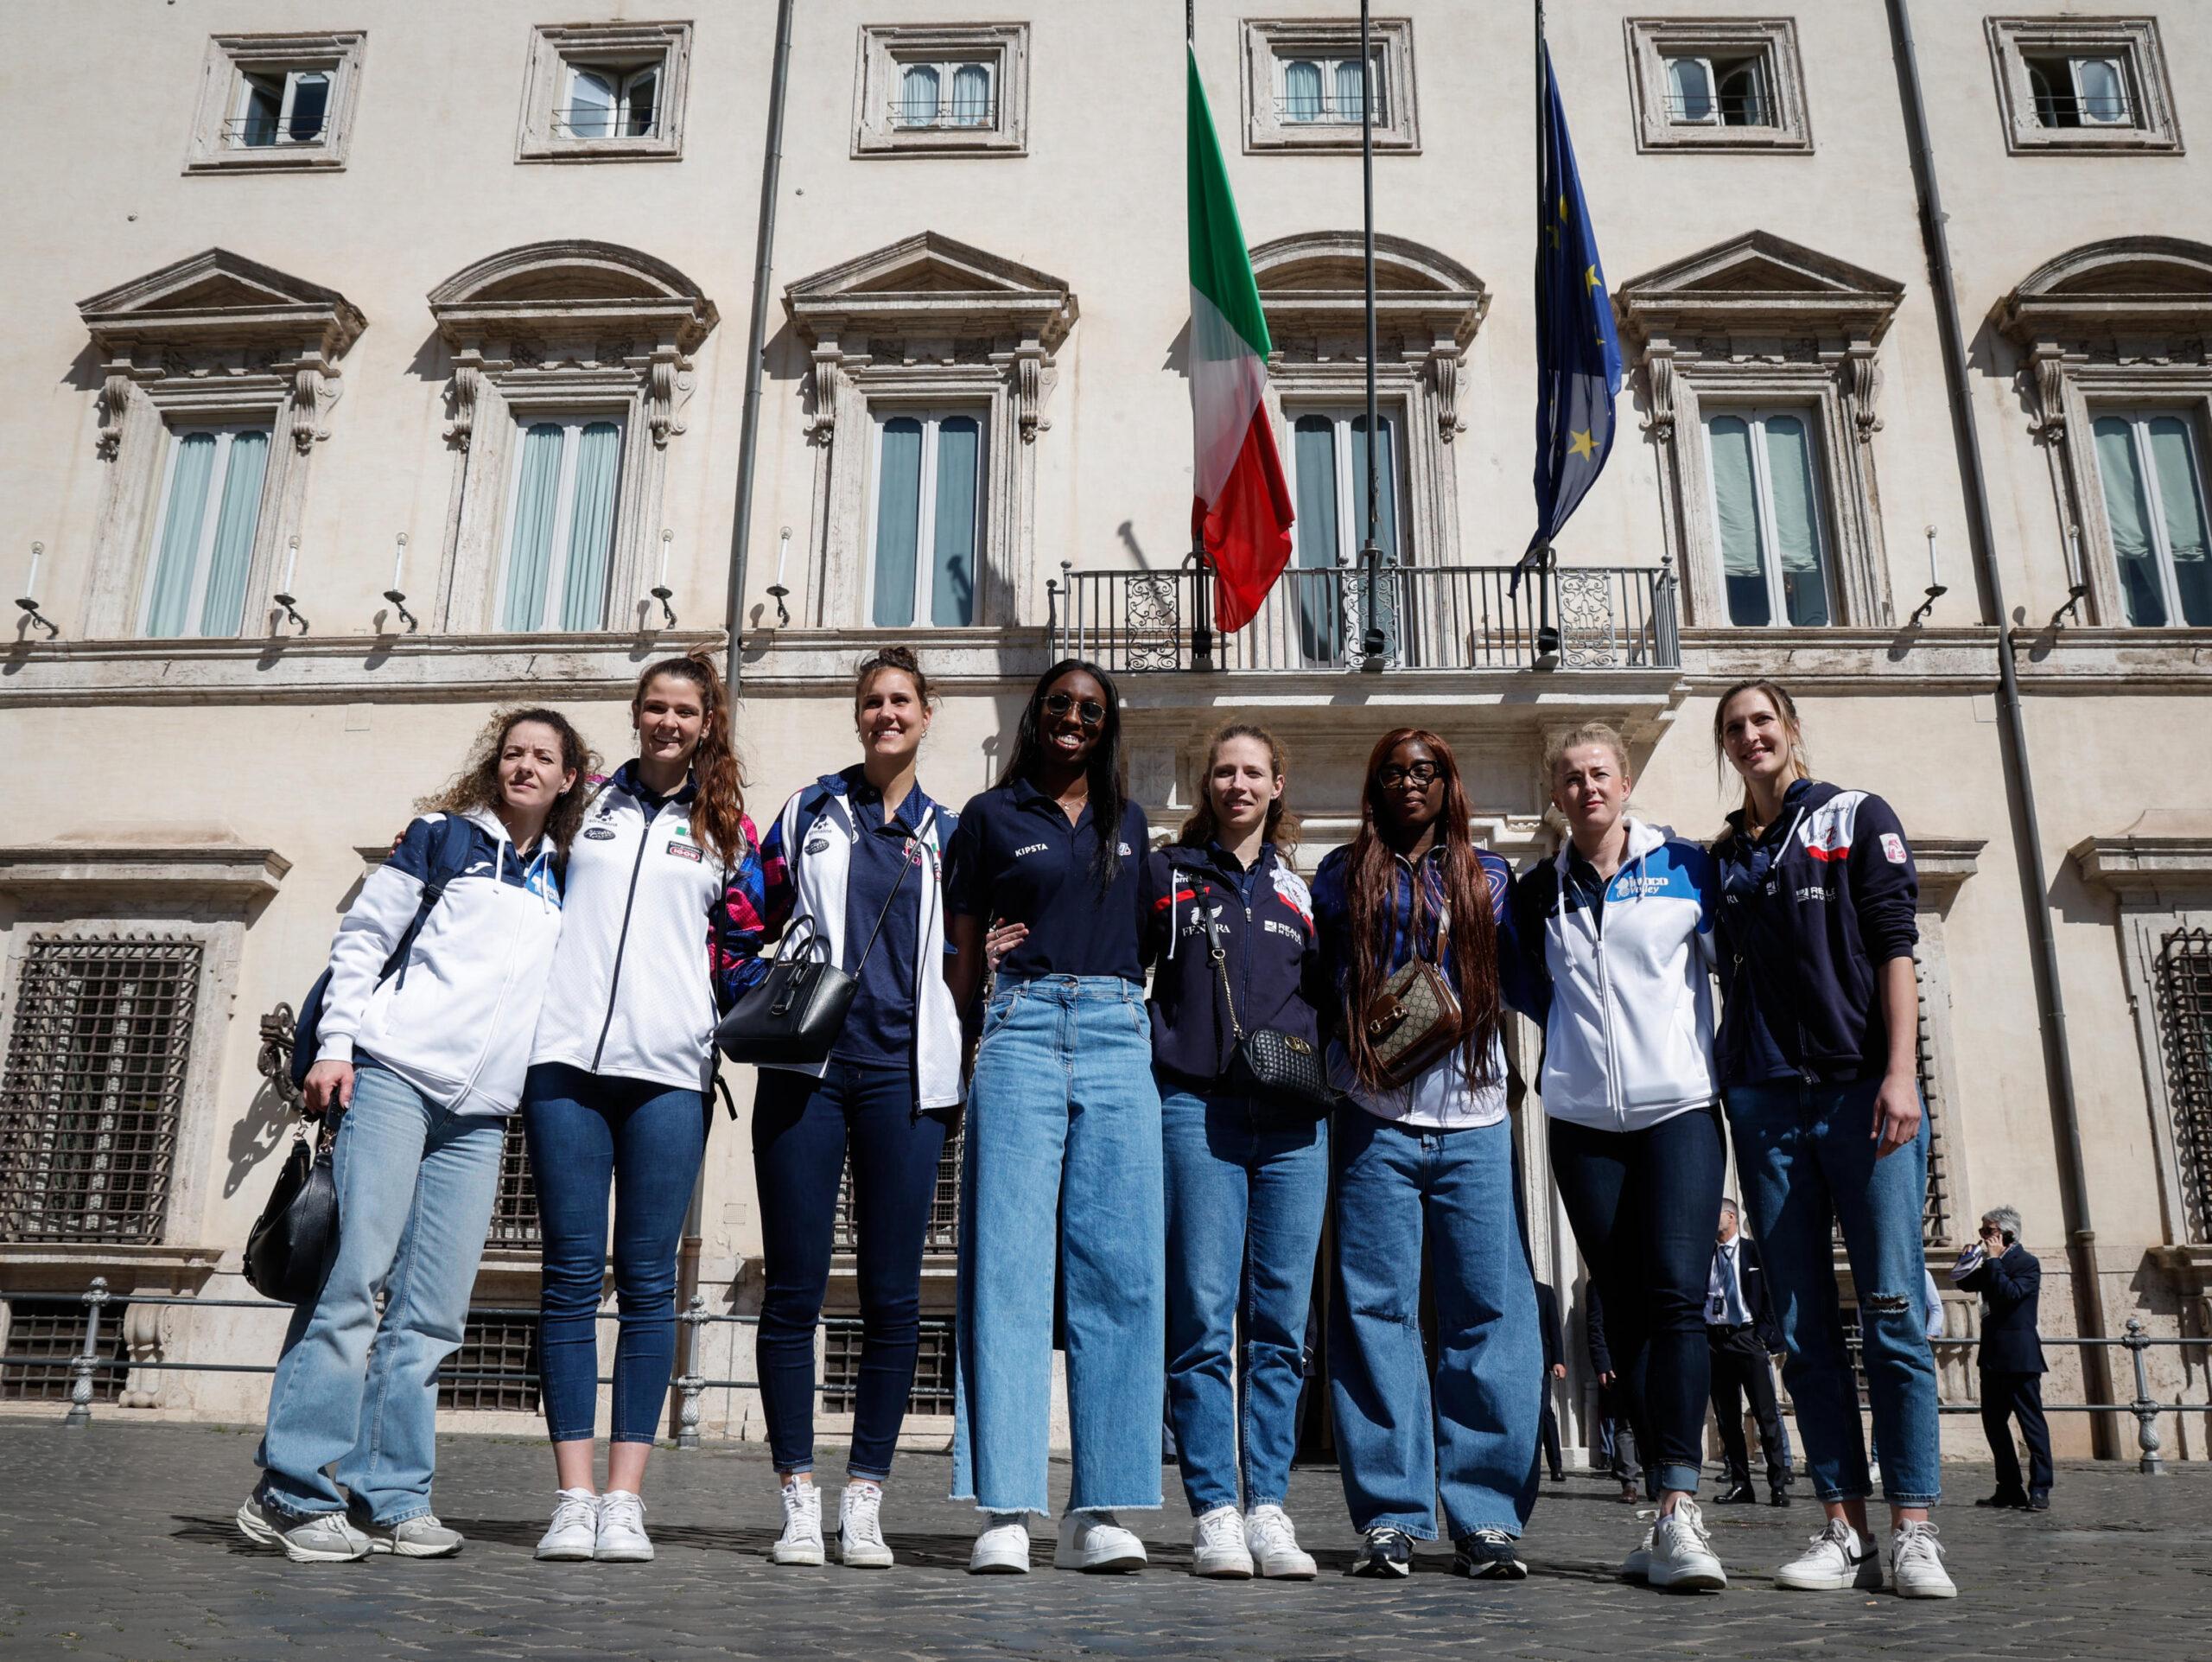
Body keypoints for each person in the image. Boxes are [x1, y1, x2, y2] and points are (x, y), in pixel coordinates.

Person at [238, 708, 589, 1562]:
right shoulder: (441, 839)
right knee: (350, 1285)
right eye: (513, 754)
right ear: (493, 765)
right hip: (393, 1078)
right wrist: (334, 1048)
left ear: (569, 778)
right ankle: (288, 1491)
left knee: (432, 1316)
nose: (526, 767)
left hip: (479, 1117)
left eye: (545, 758)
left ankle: (391, 1496)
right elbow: (362, 939)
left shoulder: (568, 875)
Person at [522, 653, 772, 1564]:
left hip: (669, 1072)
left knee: (651, 1282)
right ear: (635, 714)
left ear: (707, 724)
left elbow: (747, 945)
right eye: (655, 708)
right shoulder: (580, 804)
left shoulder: (725, 829)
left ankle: (625, 1499)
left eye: (685, 711)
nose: (668, 722)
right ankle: (571, 1495)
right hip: (564, 1065)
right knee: (569, 1278)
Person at [1711, 679, 1955, 1599]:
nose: (1750, 736)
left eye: (1762, 721)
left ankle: (1916, 1528)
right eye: (1734, 727)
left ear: (1790, 730)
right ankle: (1841, 1526)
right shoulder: (1725, 852)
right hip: (1767, 1102)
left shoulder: (1853, 816)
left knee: (1891, 1311)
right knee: (1806, 1329)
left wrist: (1901, 1073)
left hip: (1862, 1093)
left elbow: (1897, 946)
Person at [944, 659, 1164, 1576]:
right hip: (1021, 1029)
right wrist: (969, 1036)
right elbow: (958, 953)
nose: (1074, 719)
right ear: (1033, 718)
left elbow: (1150, 942)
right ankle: (1005, 1506)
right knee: (1007, 1267)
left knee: (1122, 1271)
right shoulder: (988, 818)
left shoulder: (1131, 823)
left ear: (1106, 727)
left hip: (1117, 1031)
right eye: (1059, 706)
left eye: (1091, 710)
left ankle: (1099, 1508)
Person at [750, 646, 963, 1569]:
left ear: (925, 717)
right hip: (807, 1071)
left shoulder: (948, 833)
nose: (886, 714)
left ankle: (865, 1499)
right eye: (873, 701)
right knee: (794, 1289)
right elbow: (739, 912)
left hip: (905, 1082)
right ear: (858, 715)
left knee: (893, 1297)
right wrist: (750, 977)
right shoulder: (808, 812)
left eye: (901, 702)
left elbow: (976, 948)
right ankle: (798, 1496)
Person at [1313, 728, 1540, 1582]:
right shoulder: (1340, 876)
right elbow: (1313, 980)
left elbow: (1536, 977)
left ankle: (1485, 1518)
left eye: (1426, 771)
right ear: (1375, 787)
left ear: (1448, 785)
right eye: (1393, 772)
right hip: (1375, 1116)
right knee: (1376, 1316)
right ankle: (1391, 1516)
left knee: (1489, 1314)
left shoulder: (1492, 878)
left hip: (1475, 1120)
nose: (1409, 783)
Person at [1507, 722, 1730, 1591]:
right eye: (1568, 777)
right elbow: (1529, 994)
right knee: (1626, 1311)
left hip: (1677, 1109)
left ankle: (1679, 1503)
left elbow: (1734, 978)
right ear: (1553, 793)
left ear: (1625, 782)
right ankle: (1659, 1510)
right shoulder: (1537, 895)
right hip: (1582, 1123)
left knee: (1676, 1298)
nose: (1585, 788)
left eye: (1598, 773)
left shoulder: (1688, 869)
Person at [1140, 723, 1327, 1581]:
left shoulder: (1303, 891)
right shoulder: (1167, 878)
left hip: (1293, 1123)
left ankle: (1269, 1508)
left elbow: (1335, 998)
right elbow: (1117, 970)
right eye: (1224, 771)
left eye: (1254, 771)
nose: (1239, 783)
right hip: (1196, 1112)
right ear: (1204, 783)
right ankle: (1214, 1506)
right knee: (1204, 1321)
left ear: (1277, 784)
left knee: (1282, 1328)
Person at [1953, 1206, 2051, 1512]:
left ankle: (2040, 1489)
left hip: (2021, 1357)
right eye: (1982, 1232)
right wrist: (1968, 1259)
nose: (1983, 1237)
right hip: (1993, 1356)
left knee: (2031, 1424)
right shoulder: (1990, 1263)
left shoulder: (2027, 1263)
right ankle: (2009, 1487)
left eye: (1988, 1232)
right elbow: (1964, 1283)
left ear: (2007, 1234)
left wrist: (1994, 1260)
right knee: (1994, 1425)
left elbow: (2010, 1294)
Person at [1707, 1198, 1795, 1508]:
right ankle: (1741, 1483)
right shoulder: (1706, 1256)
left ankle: (1778, 1484)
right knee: (1727, 1419)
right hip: (1716, 1341)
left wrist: (1761, 1337)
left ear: (1731, 1216)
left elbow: (1772, 1297)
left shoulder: (1754, 1252)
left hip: (1747, 1337)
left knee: (1766, 1415)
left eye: (1715, 1211)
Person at [1586, 1287, 1644, 1504]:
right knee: (1625, 1424)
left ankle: (1658, 1480)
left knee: (1656, 1422)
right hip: (1620, 1363)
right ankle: (1629, 1482)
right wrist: (1602, 1362)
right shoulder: (1599, 1284)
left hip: (1653, 1357)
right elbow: (1595, 1327)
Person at [1535, 1282, 1567, 1485]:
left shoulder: (1545, 1292)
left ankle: (1556, 1466)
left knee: (1545, 1411)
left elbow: (1554, 1328)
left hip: (1541, 1362)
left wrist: (1558, 1360)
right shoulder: (1510, 1290)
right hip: (1517, 1364)